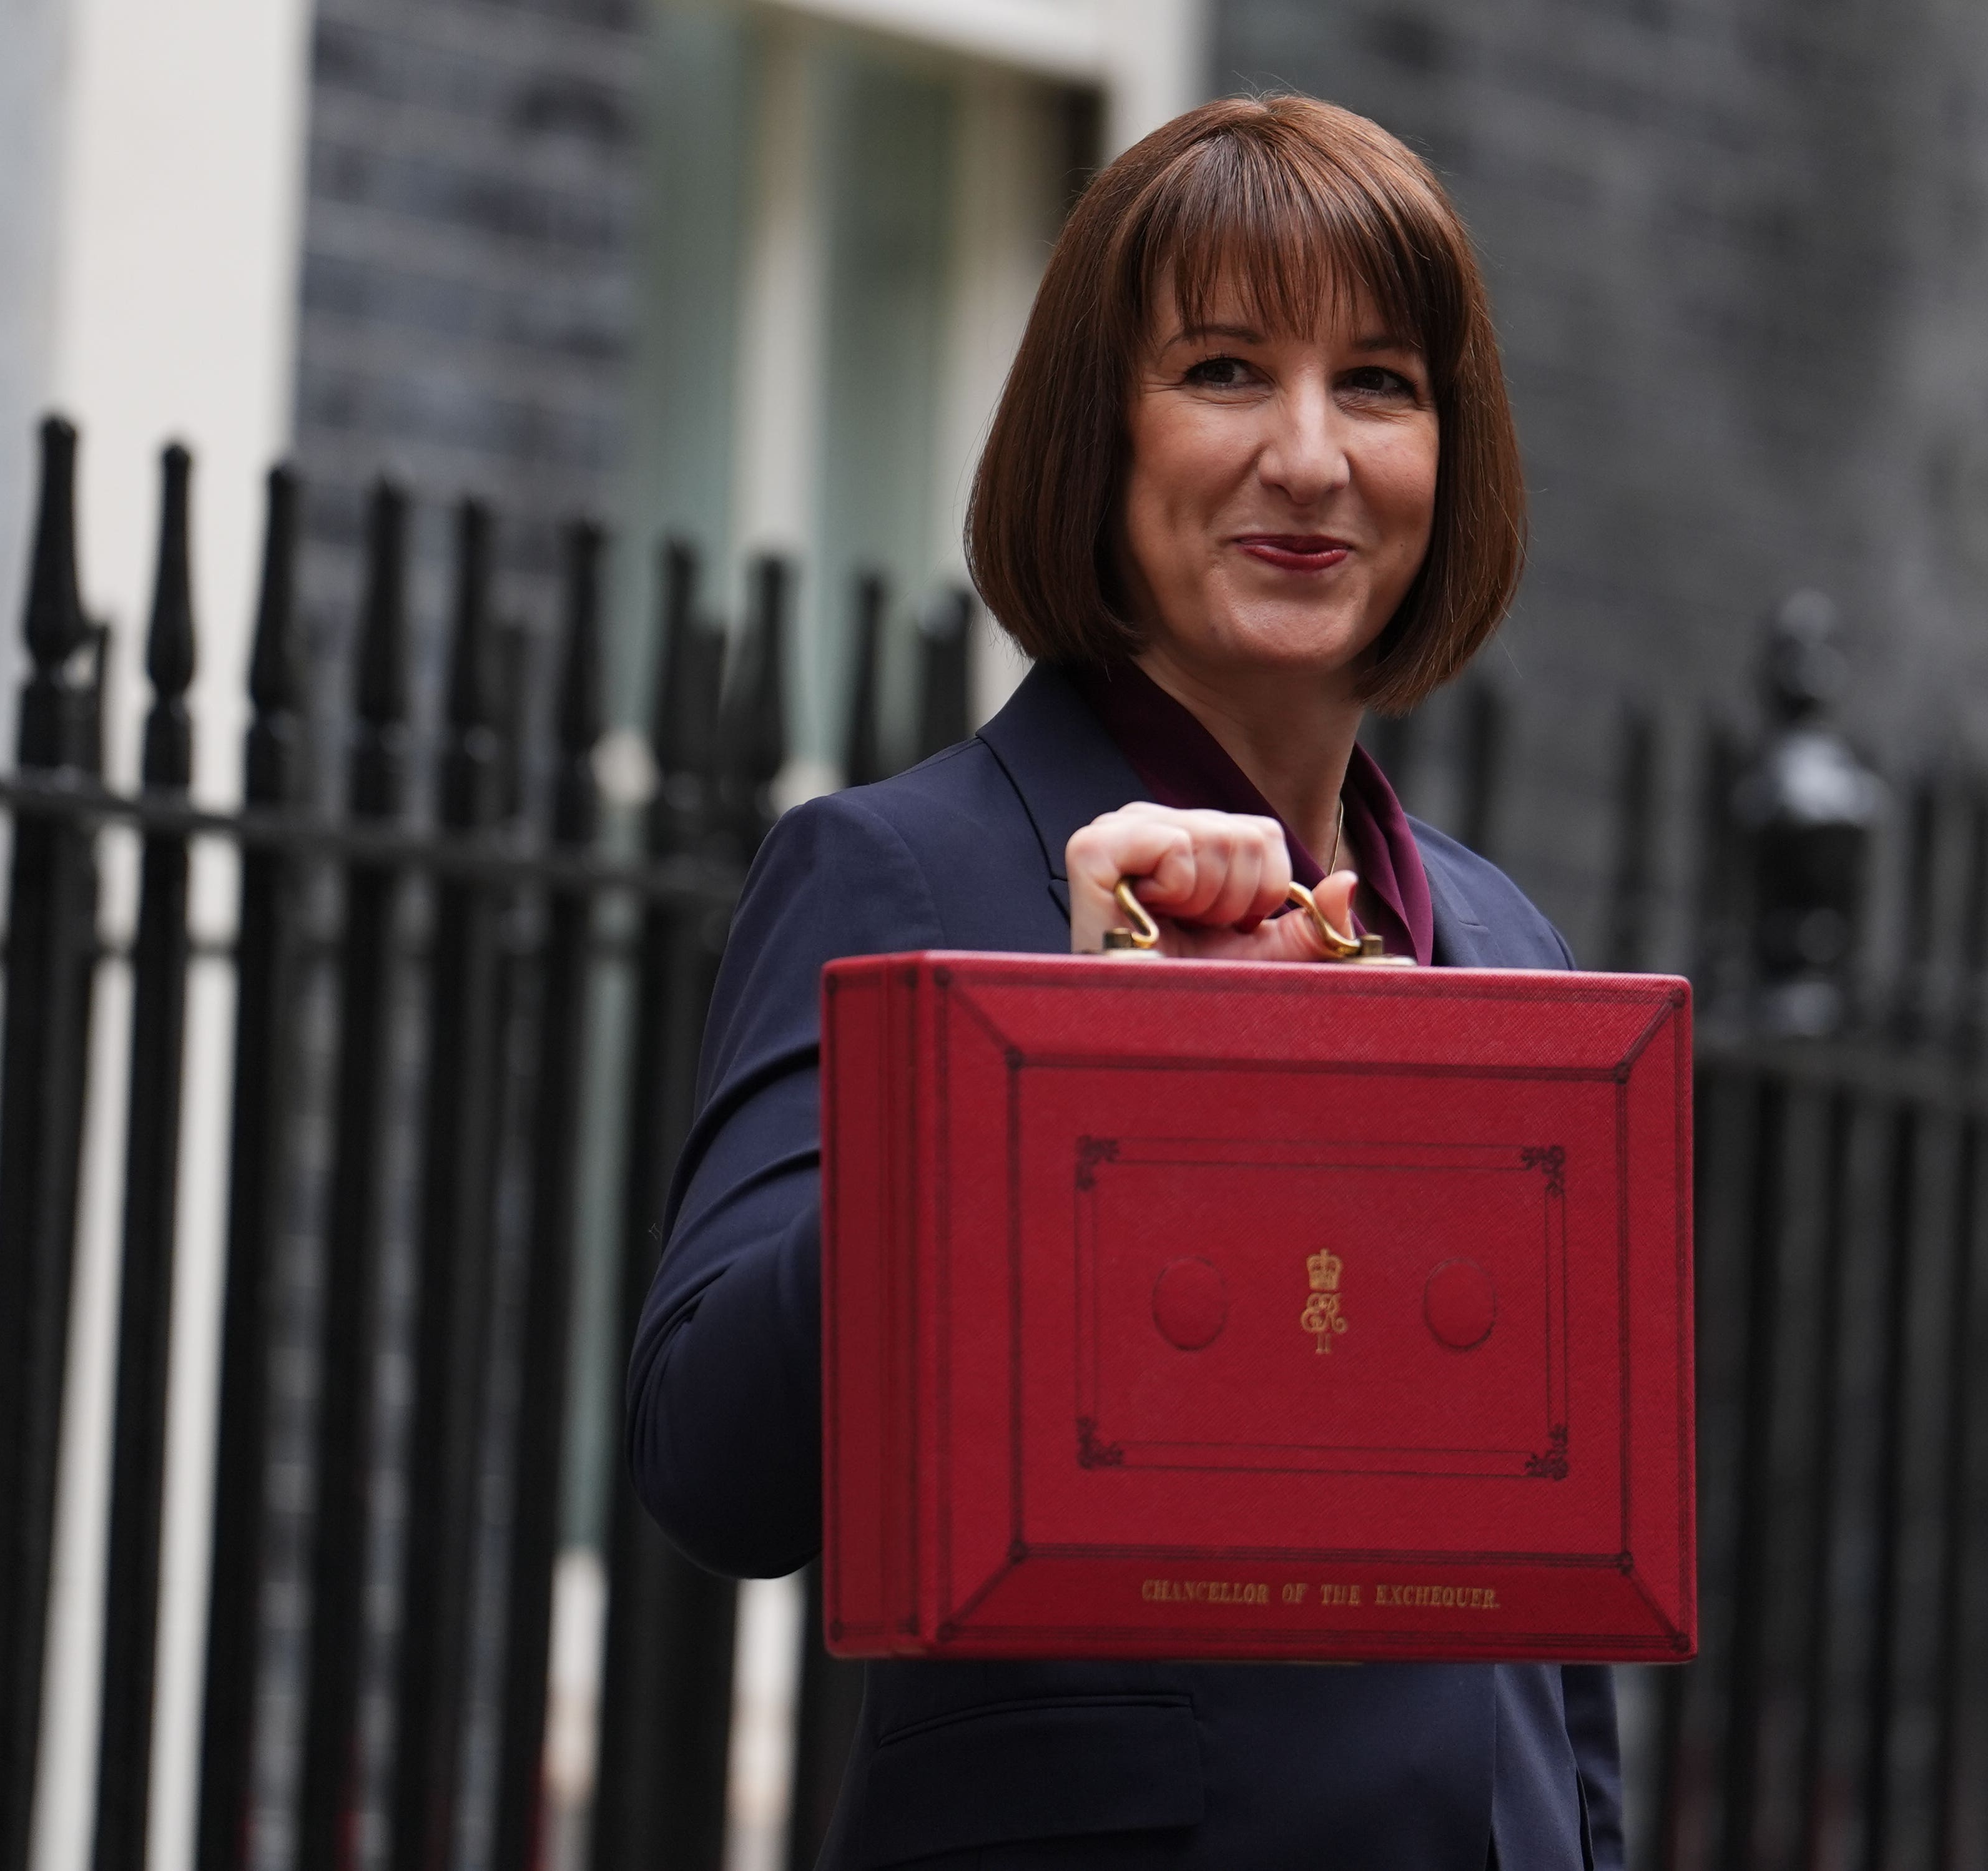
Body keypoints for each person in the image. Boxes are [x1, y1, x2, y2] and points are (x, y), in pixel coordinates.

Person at [628, 94, 1623, 1870]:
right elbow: (714, 1464)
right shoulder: (905, 871)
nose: (1311, 458)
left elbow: (1556, 1619)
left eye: (1381, 384)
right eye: (1227, 370)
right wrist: (1054, 1050)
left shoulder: (1506, 943)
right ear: (1099, 440)